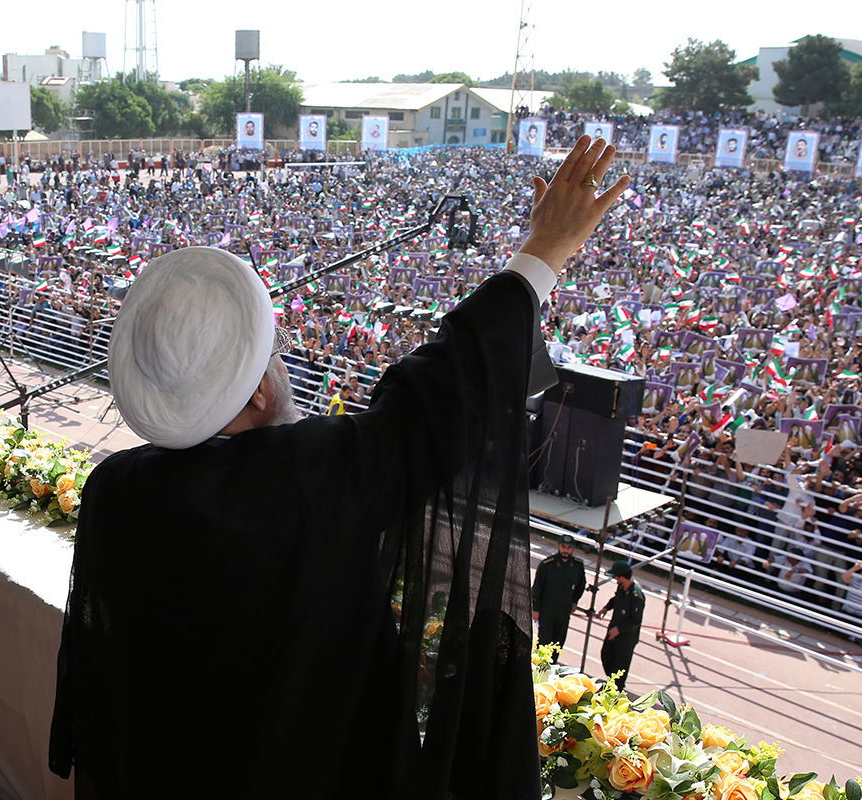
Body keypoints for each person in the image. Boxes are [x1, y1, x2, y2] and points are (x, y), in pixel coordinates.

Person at [49, 135, 631, 798]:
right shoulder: (311, 475)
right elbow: (437, 393)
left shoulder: (113, 492)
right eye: (278, 352)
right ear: (261, 392)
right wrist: (545, 250)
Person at [531, 533, 587, 650]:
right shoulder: (547, 565)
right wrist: (535, 609)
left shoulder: (577, 566)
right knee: (544, 644)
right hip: (547, 610)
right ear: (558, 546)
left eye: (569, 547)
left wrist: (575, 601)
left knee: (558, 643)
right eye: (563, 547)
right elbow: (537, 588)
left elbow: (581, 585)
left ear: (573, 549)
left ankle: (552, 666)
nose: (566, 550)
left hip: (564, 611)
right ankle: (540, 668)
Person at [597, 559, 645, 690]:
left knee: (620, 665)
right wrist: (606, 608)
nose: (615, 579)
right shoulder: (622, 587)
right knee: (606, 655)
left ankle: (616, 689)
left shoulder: (636, 596)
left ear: (622, 577)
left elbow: (636, 621)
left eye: (616, 577)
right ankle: (611, 682)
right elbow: (616, 599)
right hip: (614, 629)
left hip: (626, 637)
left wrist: (618, 630)